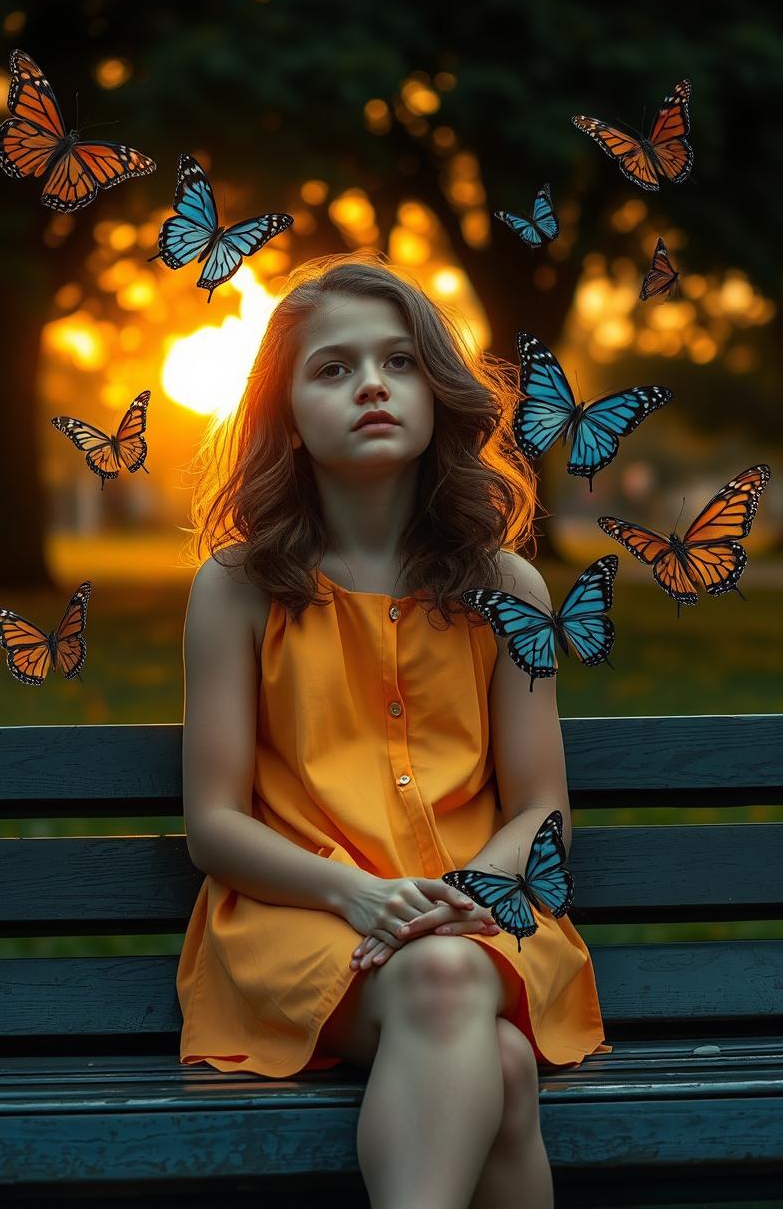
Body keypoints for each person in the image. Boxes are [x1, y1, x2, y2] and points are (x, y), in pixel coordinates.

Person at [176, 250, 611, 1209]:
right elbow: (215, 824)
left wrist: (468, 893)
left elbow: (541, 807)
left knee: (464, 999)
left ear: (438, 392)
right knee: (487, 1048)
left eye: (399, 361)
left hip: (483, 918)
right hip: (304, 926)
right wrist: (360, 898)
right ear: (285, 416)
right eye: (332, 368)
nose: (371, 384)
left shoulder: (508, 590)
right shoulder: (239, 590)